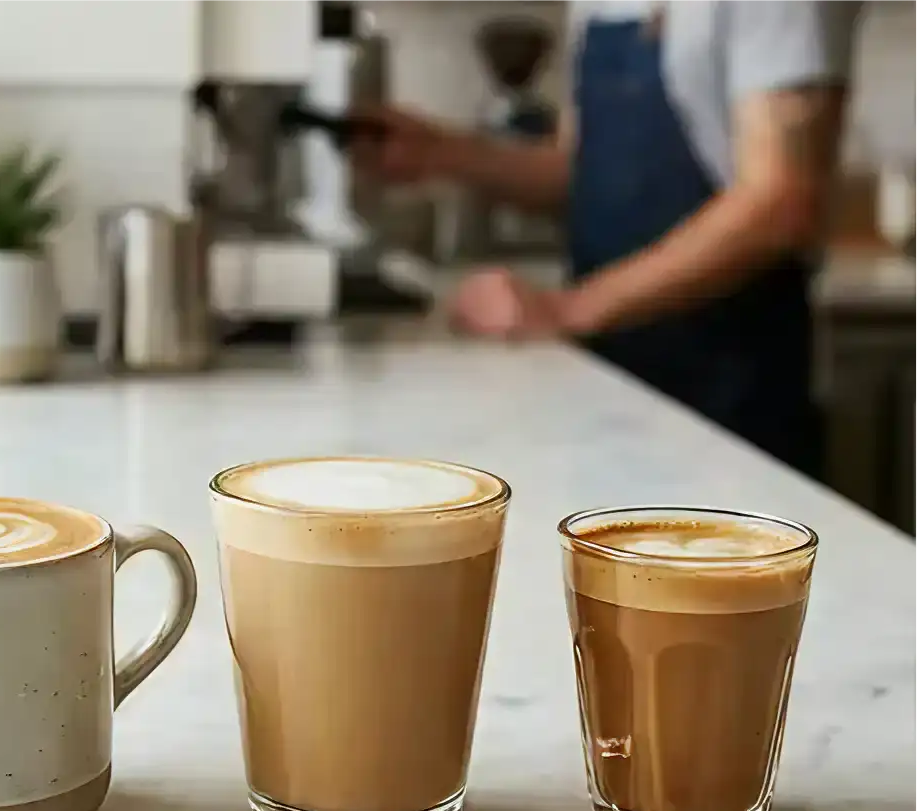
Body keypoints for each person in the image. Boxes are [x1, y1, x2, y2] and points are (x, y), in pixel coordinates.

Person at [369, 0, 867, 478]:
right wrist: (439, 152)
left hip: (732, 398)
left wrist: (566, 311)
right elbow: (583, 170)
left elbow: (781, 201)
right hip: (616, 390)